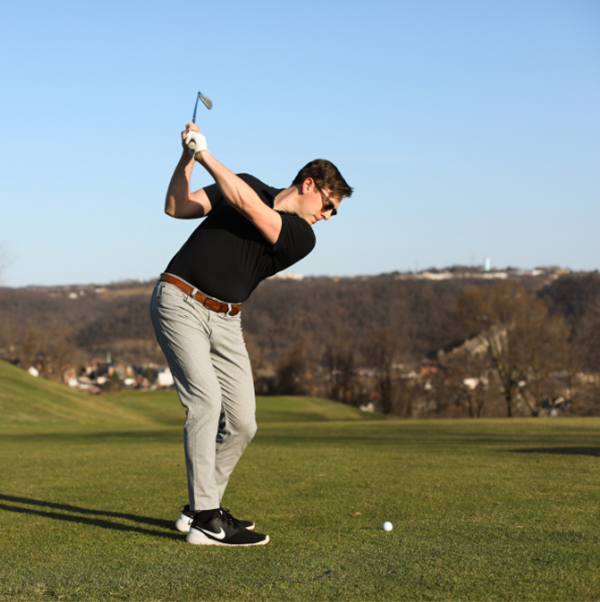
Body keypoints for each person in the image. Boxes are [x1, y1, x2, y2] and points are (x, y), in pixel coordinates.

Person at [150, 122, 353, 547]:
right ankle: (207, 518)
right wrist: (187, 158)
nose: (328, 216)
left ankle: (199, 509)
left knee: (243, 423)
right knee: (205, 403)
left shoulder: (301, 235)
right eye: (329, 205)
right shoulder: (244, 182)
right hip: (180, 300)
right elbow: (176, 207)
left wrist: (205, 154)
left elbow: (248, 205)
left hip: (227, 321)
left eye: (334, 212)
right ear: (309, 184)